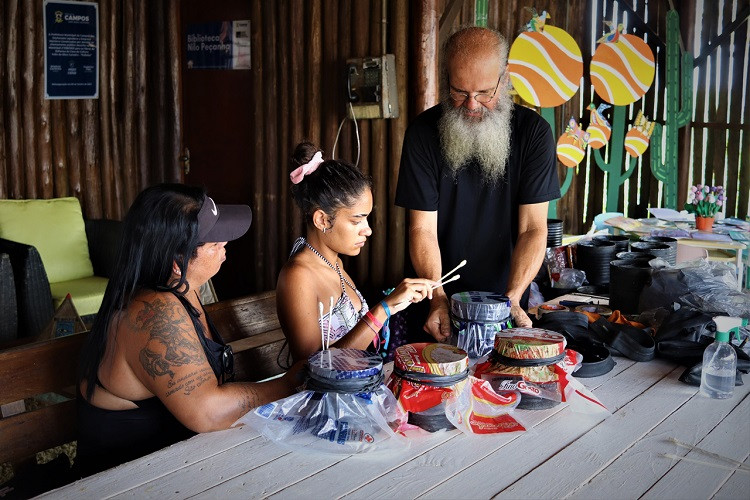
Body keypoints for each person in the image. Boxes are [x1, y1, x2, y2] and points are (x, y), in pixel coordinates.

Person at [76, 183, 303, 476]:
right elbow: (208, 411)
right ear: (177, 262)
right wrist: (292, 383)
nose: (225, 245)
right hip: (125, 482)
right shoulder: (154, 311)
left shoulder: (181, 288)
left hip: (180, 464)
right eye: (214, 243)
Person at [395, 26, 560, 341]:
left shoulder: (534, 134)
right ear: (446, 81)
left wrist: (512, 298)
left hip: (505, 304)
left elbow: (533, 230)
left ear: (505, 77)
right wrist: (438, 297)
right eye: (460, 92)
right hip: (436, 302)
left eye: (484, 93)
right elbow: (422, 230)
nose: (471, 105)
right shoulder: (422, 133)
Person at [276, 142, 436, 363]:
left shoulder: (334, 263)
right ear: (322, 219)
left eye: (367, 218)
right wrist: (383, 309)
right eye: (356, 220)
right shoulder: (298, 276)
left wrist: (395, 303)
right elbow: (311, 367)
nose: (368, 230)